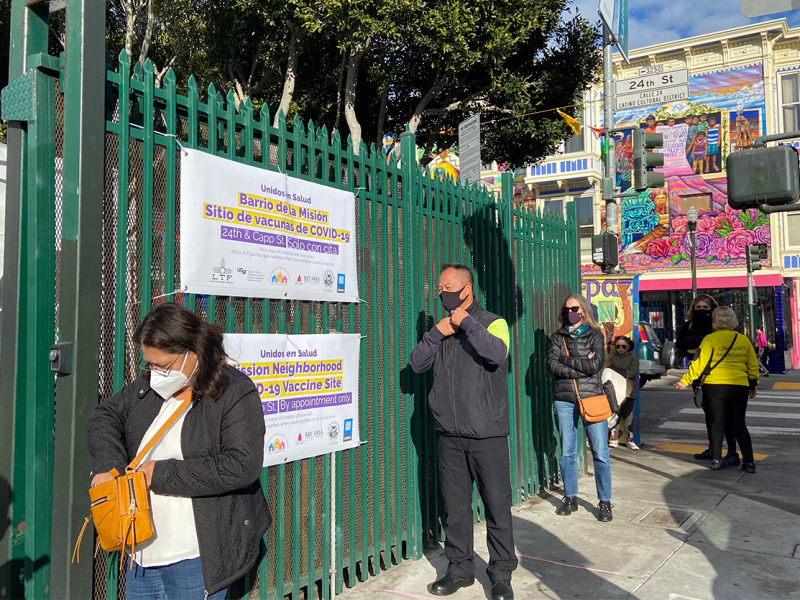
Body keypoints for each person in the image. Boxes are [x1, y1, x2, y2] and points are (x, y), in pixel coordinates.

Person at [88, 303, 271, 600]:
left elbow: (242, 465)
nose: (156, 374)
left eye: (164, 366)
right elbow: (104, 417)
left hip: (195, 555)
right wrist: (108, 466)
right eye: (150, 365)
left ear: (193, 351)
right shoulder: (148, 388)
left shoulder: (234, 392)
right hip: (140, 552)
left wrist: (160, 474)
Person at [410, 264, 516, 600]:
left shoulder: (493, 322)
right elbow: (416, 364)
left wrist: (466, 323)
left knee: (497, 506)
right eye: (439, 288)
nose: (442, 292)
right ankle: (459, 570)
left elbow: (496, 353)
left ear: (467, 289)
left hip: (487, 434)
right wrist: (438, 332)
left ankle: (500, 575)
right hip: (449, 436)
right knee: (455, 509)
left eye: (448, 287)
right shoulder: (440, 330)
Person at [547, 294, 613, 522]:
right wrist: (581, 364)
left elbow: (595, 365)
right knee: (567, 452)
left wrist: (567, 359)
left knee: (600, 453)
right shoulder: (557, 337)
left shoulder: (595, 334)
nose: (570, 313)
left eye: (574, 308)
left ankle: (605, 501)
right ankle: (570, 496)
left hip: (592, 398)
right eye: (566, 309)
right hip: (564, 400)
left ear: (583, 310)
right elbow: (552, 366)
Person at [675, 307, 759, 473]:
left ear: (715, 321)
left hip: (715, 385)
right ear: (733, 320)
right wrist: (753, 386)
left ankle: (716, 459)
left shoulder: (710, 339)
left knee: (716, 422)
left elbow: (699, 364)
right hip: (739, 386)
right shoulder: (743, 340)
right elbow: (753, 365)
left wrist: (684, 381)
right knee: (739, 424)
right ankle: (749, 462)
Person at [676, 295, 740, 465]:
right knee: (710, 414)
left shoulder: (717, 328)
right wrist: (692, 348)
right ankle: (714, 449)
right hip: (699, 374)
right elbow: (680, 342)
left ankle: (731, 451)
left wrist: (697, 347)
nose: (702, 311)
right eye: (698, 308)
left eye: (705, 308)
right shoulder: (689, 324)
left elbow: (710, 344)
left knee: (723, 417)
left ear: (712, 309)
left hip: (717, 374)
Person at [604, 337, 640, 450]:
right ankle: (613, 439)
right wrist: (623, 374)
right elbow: (606, 369)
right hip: (614, 392)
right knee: (615, 415)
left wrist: (617, 373)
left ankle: (630, 439)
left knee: (628, 416)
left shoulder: (633, 359)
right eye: (618, 346)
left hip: (628, 392)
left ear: (628, 347)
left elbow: (633, 372)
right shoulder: (612, 358)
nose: (620, 348)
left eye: (623, 346)